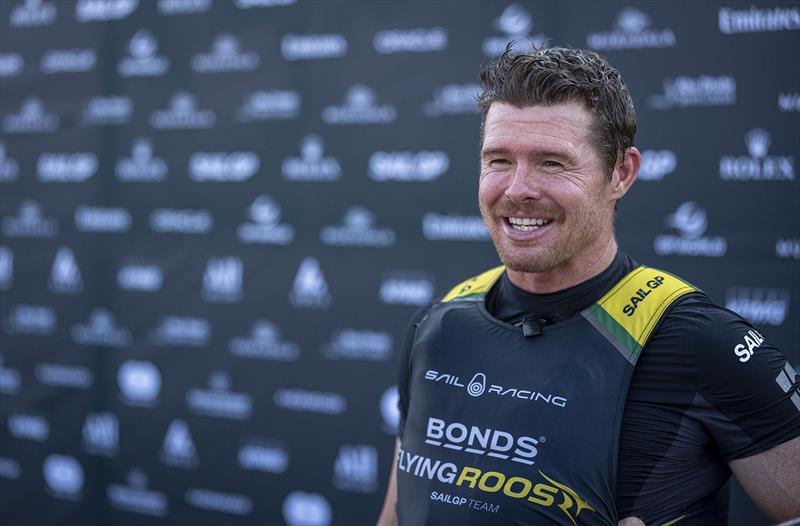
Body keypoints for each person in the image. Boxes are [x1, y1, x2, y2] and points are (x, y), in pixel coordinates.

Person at [377, 46, 800, 526]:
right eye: (498, 160)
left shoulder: (699, 340)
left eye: (552, 163)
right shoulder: (438, 325)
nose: (517, 189)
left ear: (621, 173)